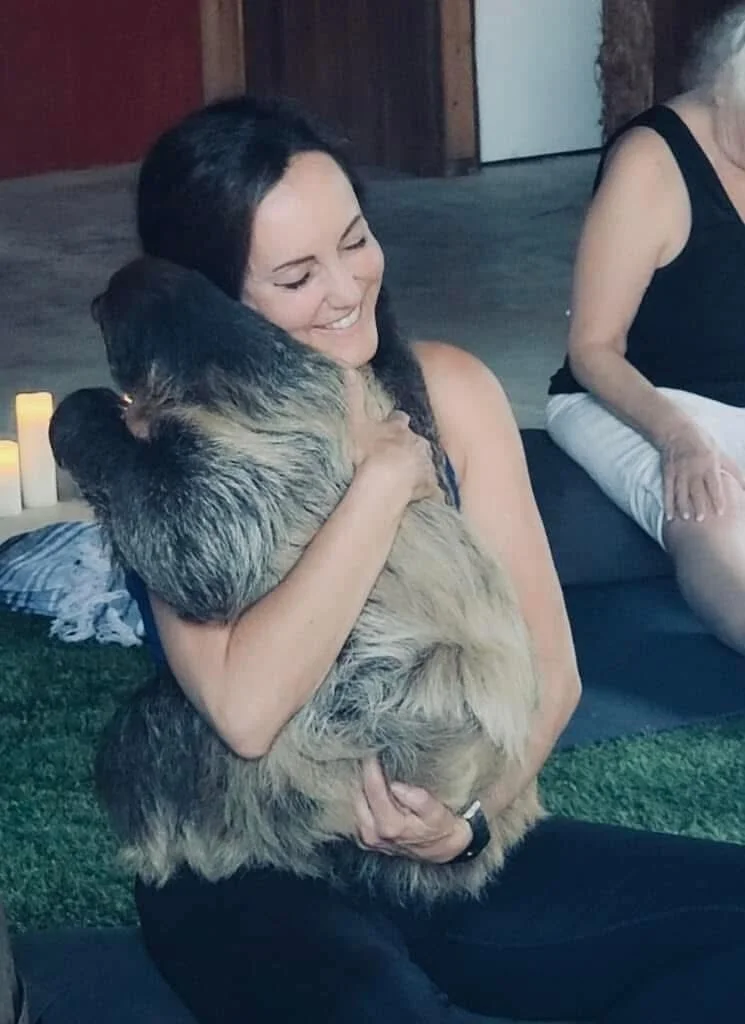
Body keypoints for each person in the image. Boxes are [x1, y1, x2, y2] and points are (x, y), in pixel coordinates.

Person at [106, 96, 745, 1023]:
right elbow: (245, 711)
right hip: (251, 862)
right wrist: (381, 483)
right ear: (212, 301)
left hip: (446, 855)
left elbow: (552, 674)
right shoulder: (173, 437)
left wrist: (466, 826)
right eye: (295, 276)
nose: (344, 288)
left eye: (354, 241)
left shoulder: (451, 389)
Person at [547, 4, 745, 656]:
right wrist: (678, 437)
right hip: (636, 398)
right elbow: (592, 349)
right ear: (726, 89)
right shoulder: (650, 165)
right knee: (710, 509)